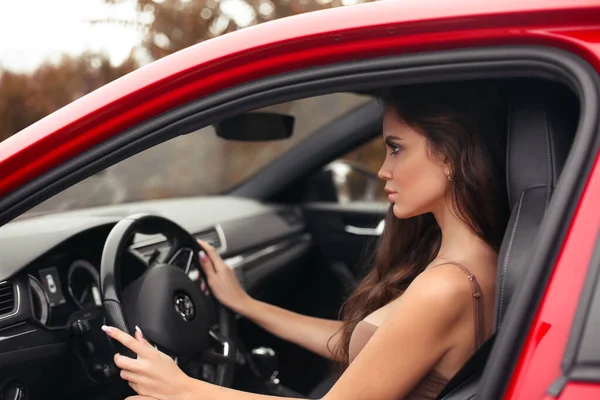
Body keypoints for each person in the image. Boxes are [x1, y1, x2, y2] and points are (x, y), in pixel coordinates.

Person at [102, 81, 510, 400]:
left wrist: (181, 388)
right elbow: (365, 348)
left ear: (449, 155)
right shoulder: (482, 260)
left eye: (396, 149)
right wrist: (249, 306)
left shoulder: (446, 287)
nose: (383, 170)